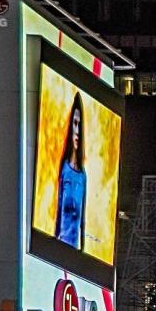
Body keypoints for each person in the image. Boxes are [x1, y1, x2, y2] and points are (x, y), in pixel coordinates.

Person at [55, 97, 87, 250]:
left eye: (80, 125)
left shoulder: (82, 175)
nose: (77, 131)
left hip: (74, 249)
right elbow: (58, 208)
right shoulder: (64, 169)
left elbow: (83, 219)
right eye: (75, 123)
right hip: (61, 244)